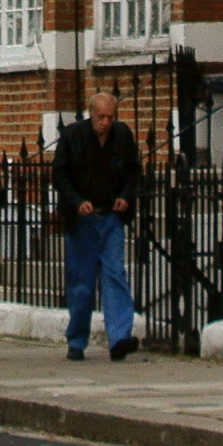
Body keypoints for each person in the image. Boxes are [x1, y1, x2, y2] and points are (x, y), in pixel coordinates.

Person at [54, 104, 143, 360]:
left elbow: (132, 171)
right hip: (83, 220)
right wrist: (76, 201)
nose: (106, 122)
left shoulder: (122, 135)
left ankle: (119, 337)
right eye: (101, 117)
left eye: (110, 117)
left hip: (111, 216)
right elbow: (60, 174)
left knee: (115, 273)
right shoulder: (73, 136)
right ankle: (77, 340)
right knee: (81, 282)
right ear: (91, 114)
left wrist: (125, 197)